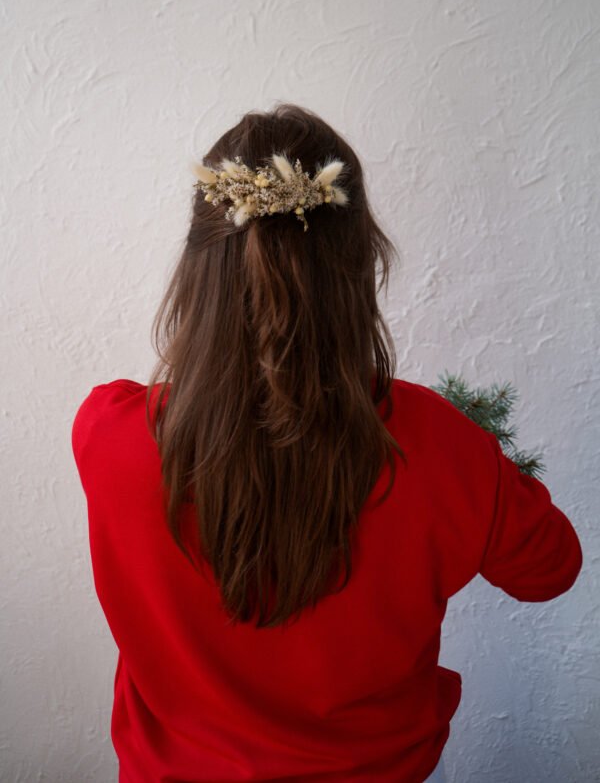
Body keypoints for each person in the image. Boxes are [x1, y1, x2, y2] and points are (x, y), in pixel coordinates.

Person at [71, 103, 582, 783]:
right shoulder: (438, 447)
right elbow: (551, 571)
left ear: (199, 268)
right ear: (361, 264)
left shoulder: (107, 432)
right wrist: (476, 463)